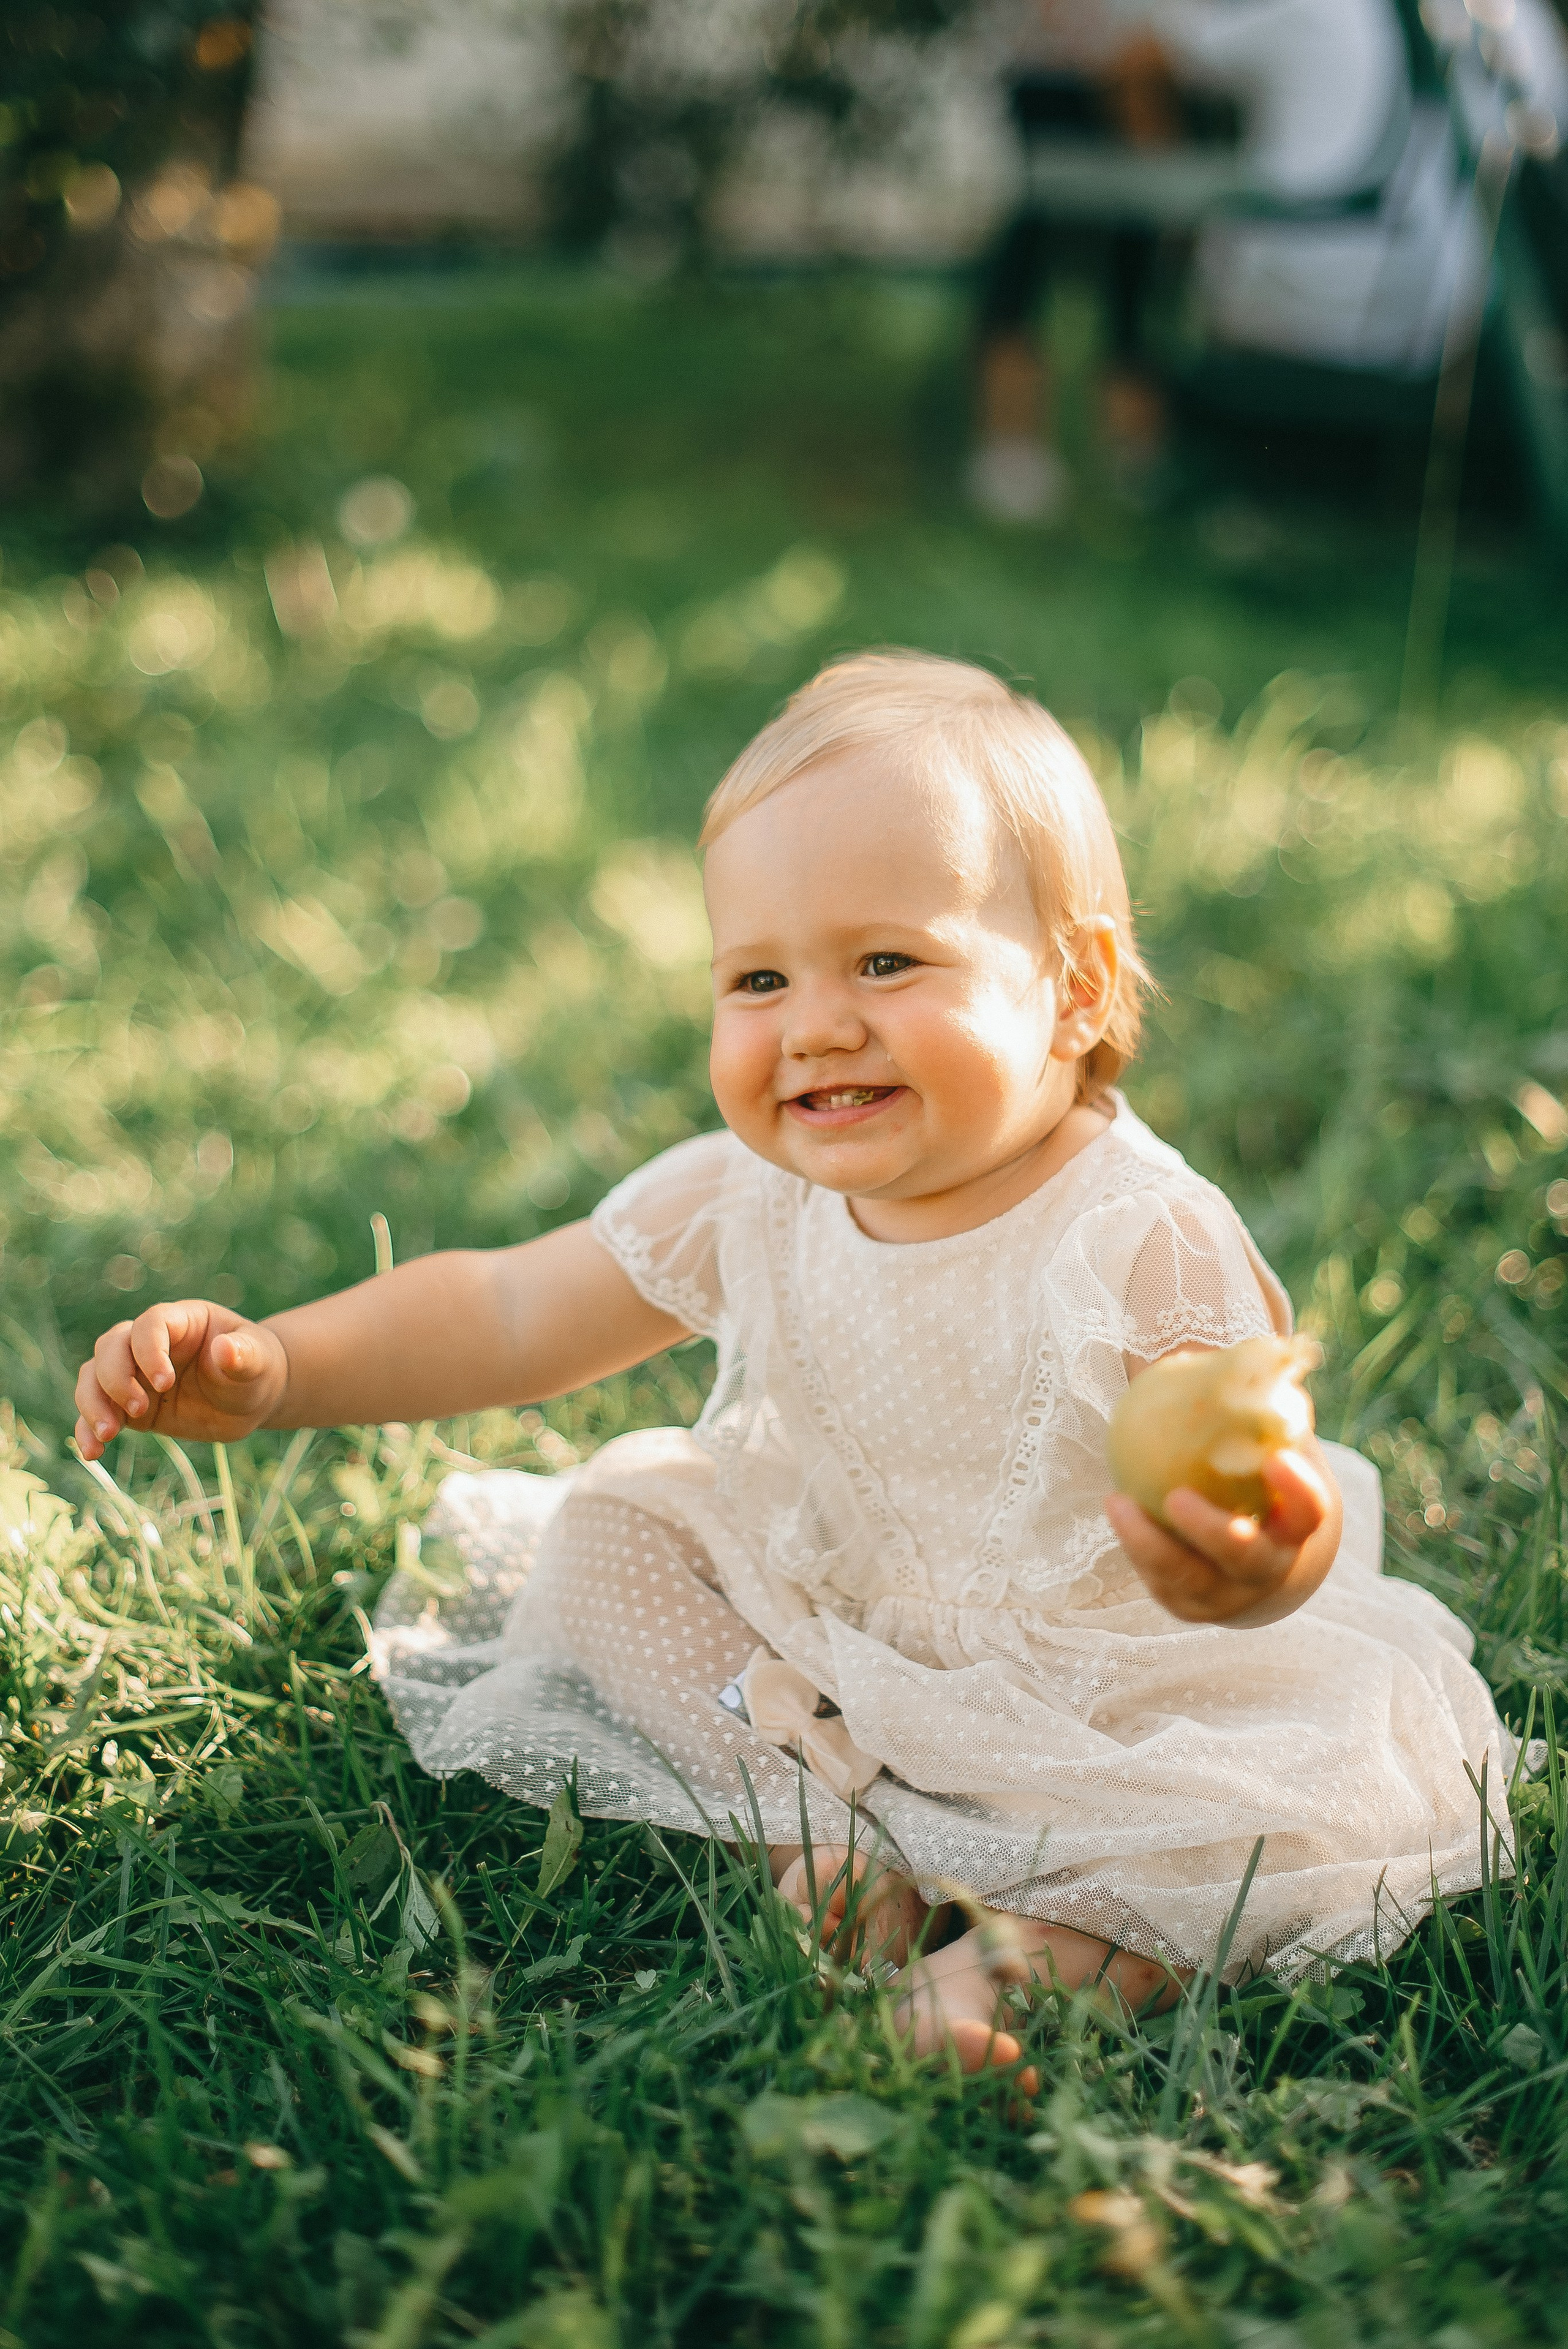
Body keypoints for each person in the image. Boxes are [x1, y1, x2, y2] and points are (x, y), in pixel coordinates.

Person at [75, 652, 1517, 2078]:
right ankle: (825, 1827)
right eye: (758, 976)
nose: (816, 1020)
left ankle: (1024, 1961)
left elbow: (1254, 1483)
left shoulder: (1135, 1237)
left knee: (1261, 1819)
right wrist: (277, 1365)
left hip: (1106, 1681)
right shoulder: (745, 1191)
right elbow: (512, 1310)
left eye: (886, 959)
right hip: (843, 1625)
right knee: (602, 1534)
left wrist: (1241, 1558)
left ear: (1070, 987)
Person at [970, 0, 1412, 518]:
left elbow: (1157, 52)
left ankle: (1115, 461)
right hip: (1069, 72)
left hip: (1135, 75)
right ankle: (1027, 459)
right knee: (1055, 253)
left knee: (1124, 274)